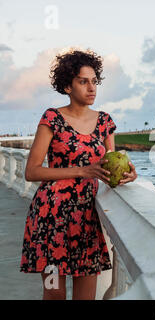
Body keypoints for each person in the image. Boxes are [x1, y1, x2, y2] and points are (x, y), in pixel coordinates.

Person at [19, 48, 137, 300]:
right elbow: (32, 171)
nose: (91, 88)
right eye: (83, 81)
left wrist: (128, 175)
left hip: (86, 220)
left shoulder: (105, 122)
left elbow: (109, 166)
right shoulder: (52, 118)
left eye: (94, 81)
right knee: (54, 295)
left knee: (86, 297)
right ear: (67, 86)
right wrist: (83, 170)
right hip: (50, 218)